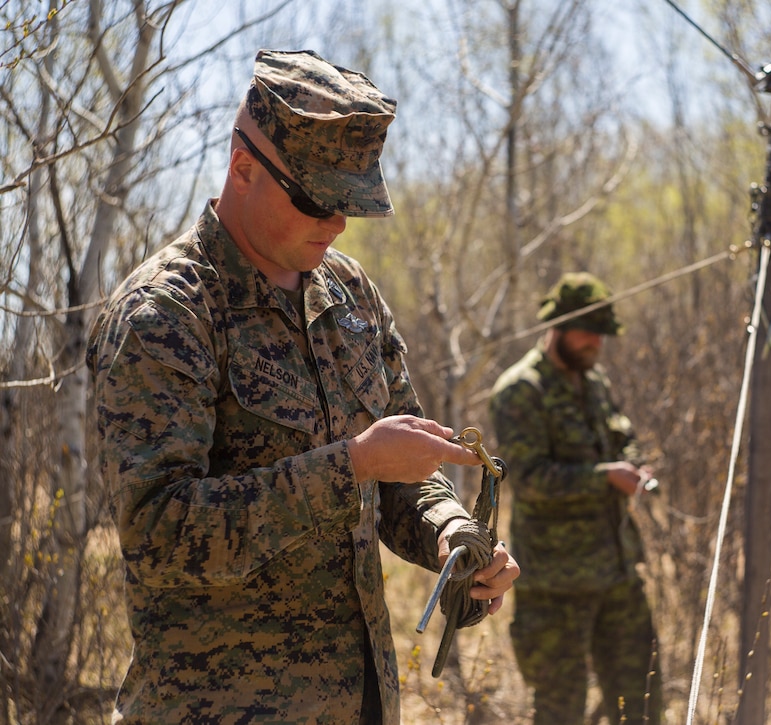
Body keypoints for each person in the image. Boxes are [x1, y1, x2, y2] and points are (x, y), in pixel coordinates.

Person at [85, 49, 518, 724]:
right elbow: (159, 534)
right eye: (318, 201)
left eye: (351, 204)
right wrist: (350, 466)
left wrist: (452, 531)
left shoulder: (350, 294)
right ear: (243, 168)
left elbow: (405, 464)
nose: (338, 223)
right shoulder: (166, 313)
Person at [488, 272, 663, 725]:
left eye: (602, 336)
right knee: (559, 709)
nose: (595, 345)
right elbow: (527, 479)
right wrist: (605, 477)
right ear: (558, 327)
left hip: (617, 573)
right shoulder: (520, 390)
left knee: (641, 704)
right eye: (587, 333)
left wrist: (632, 464)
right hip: (555, 583)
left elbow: (623, 437)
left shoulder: (595, 382)